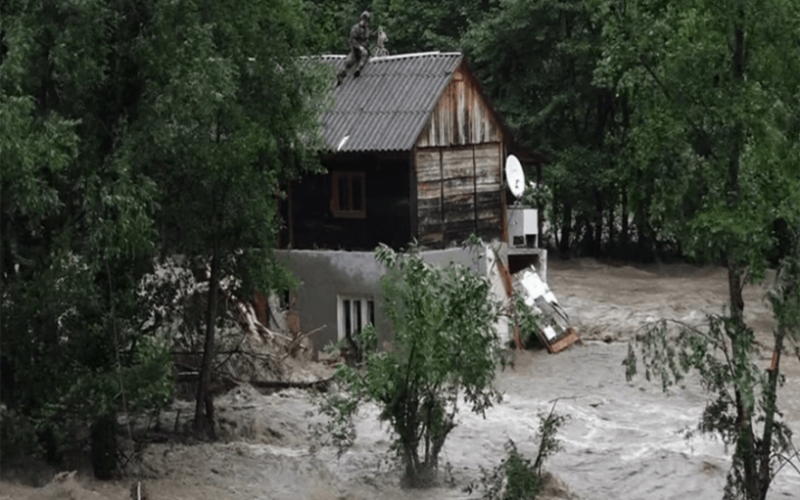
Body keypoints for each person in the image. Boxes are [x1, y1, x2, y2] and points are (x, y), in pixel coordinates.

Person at [337, 11, 375, 85]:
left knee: (365, 54)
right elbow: (351, 40)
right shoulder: (355, 28)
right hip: (355, 49)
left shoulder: (366, 30)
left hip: (363, 50)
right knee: (349, 62)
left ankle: (358, 70)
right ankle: (341, 75)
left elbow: (369, 37)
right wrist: (359, 47)